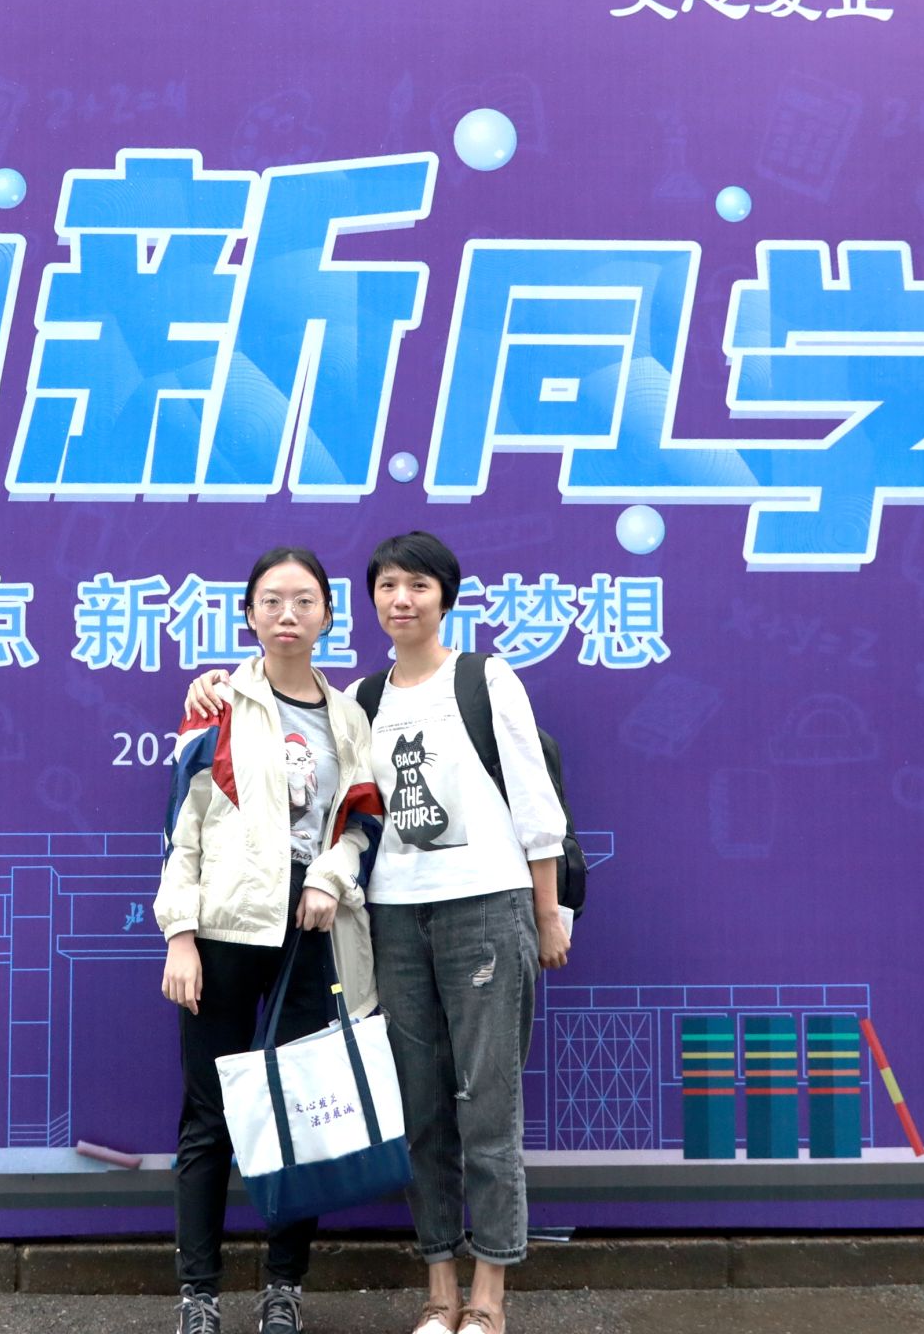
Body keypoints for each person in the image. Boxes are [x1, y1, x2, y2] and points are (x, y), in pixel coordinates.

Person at [186, 531, 571, 1334]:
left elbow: (536, 806)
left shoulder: (483, 679)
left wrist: (547, 915)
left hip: (482, 910)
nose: (402, 599)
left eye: (418, 586)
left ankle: (489, 1299)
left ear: (445, 597)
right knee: (419, 1112)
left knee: (488, 1111)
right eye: (389, 586)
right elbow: (338, 809)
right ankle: (439, 1290)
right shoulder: (362, 699)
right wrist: (212, 686)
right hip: (390, 919)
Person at [156, 546, 386, 1334]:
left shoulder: (349, 717)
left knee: (302, 1113)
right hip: (224, 930)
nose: (288, 615)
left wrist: (331, 877)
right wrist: (180, 935)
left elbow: (361, 825)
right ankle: (198, 1294)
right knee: (208, 1117)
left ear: (327, 615)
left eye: (304, 601)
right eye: (273, 601)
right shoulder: (217, 703)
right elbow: (182, 828)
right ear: (249, 614)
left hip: (313, 931)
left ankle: (284, 1286)